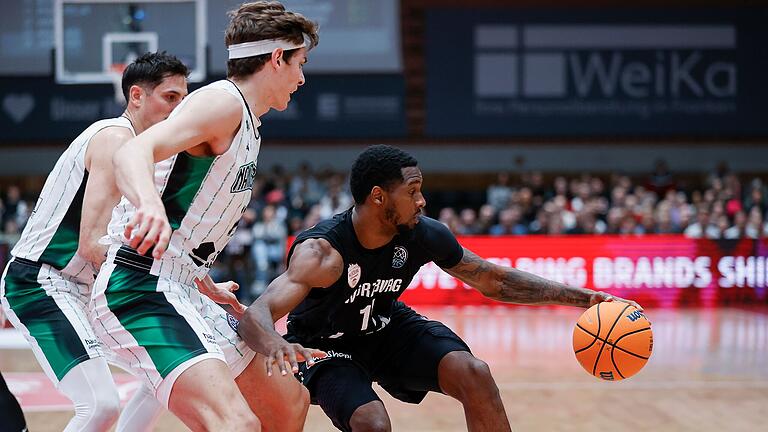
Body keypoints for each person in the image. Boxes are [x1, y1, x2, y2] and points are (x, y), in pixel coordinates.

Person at [238, 145, 643, 432]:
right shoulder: (323, 252)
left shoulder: (423, 234)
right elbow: (256, 315)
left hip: (386, 328)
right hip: (327, 345)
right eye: (412, 192)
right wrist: (276, 345)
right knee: (371, 424)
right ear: (378, 197)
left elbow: (493, 280)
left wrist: (582, 298)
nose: (422, 201)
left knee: (474, 374)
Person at [88, 2, 322, 431]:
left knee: (289, 404)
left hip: (183, 285)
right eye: (299, 63)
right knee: (237, 424)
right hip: (139, 288)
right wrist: (149, 205)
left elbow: (192, 219)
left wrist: (202, 281)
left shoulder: (249, 121)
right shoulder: (222, 102)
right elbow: (133, 151)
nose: (302, 77)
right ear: (276, 58)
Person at [0, 51, 188, 432]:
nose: (181, 108)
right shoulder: (115, 139)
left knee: (170, 372)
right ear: (137, 96)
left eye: (185, 99)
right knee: (100, 406)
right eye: (171, 97)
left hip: (82, 286)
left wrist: (186, 281)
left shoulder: (142, 153)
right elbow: (91, 244)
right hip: (39, 282)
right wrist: (165, 282)